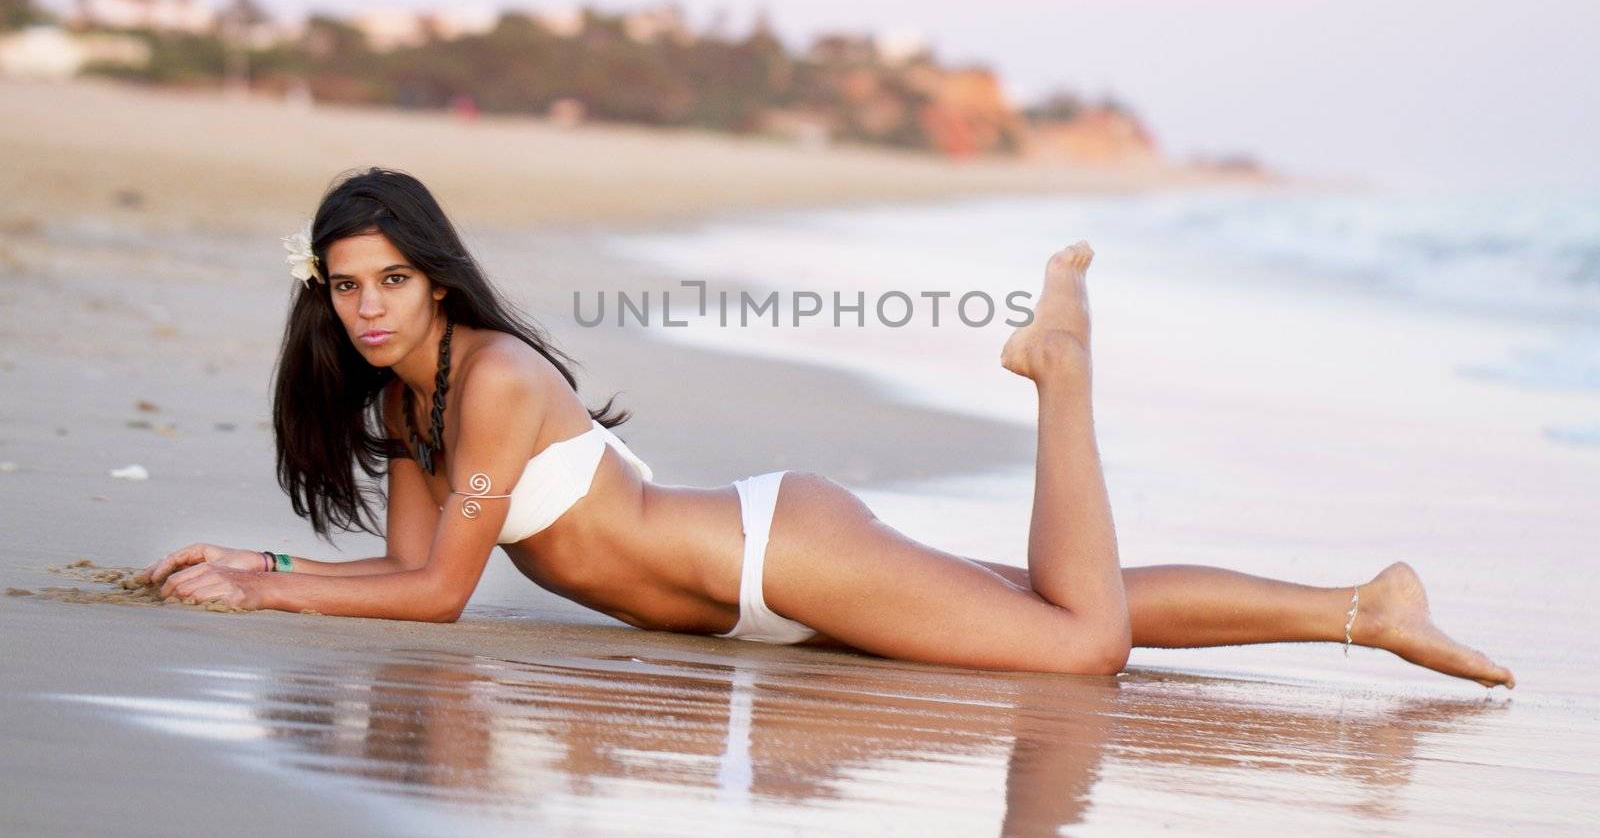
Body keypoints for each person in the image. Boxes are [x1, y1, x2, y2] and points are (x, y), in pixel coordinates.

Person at [142, 168, 1515, 688]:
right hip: (763, 589)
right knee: (1053, 605)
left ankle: (1064, 371)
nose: (369, 307)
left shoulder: (492, 374)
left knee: (1075, 645)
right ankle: (1366, 607)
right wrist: (252, 567)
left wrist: (264, 596)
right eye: (346, 284)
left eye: (391, 280)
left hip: (772, 554)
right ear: (322, 289)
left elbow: (437, 598)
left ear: (434, 277)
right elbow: (402, 577)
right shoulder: (409, 399)